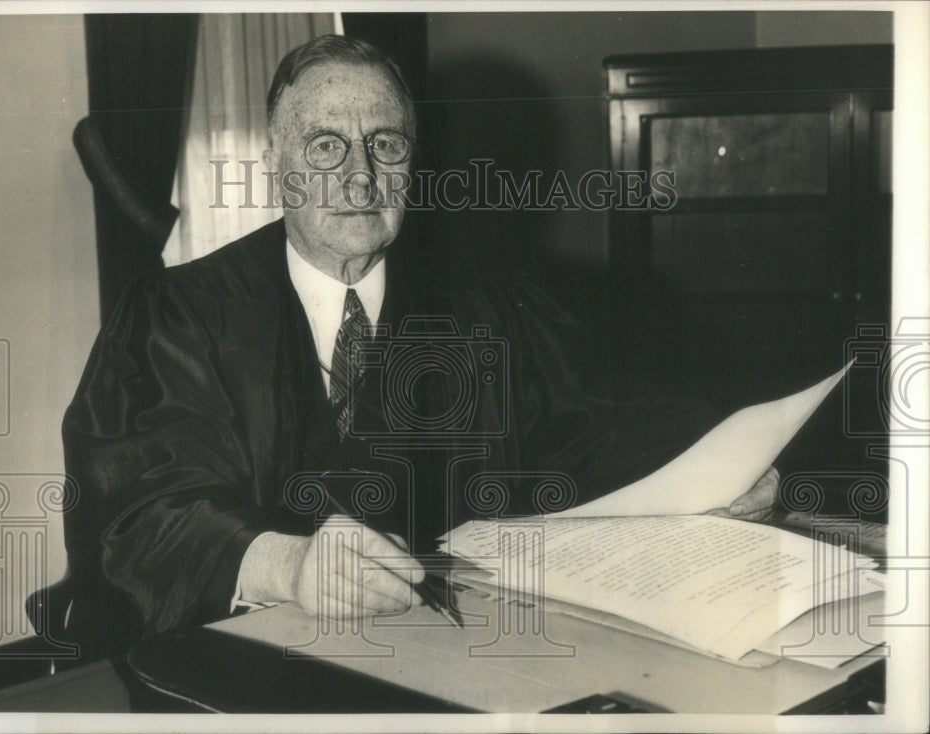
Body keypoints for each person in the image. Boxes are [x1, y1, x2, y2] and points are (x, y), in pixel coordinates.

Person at [61, 35, 778, 659]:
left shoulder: (485, 310)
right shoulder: (178, 315)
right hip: (240, 669)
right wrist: (289, 564)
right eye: (324, 145)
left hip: (461, 664)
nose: (360, 176)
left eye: (386, 144)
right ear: (275, 160)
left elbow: (595, 427)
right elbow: (134, 513)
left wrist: (712, 473)